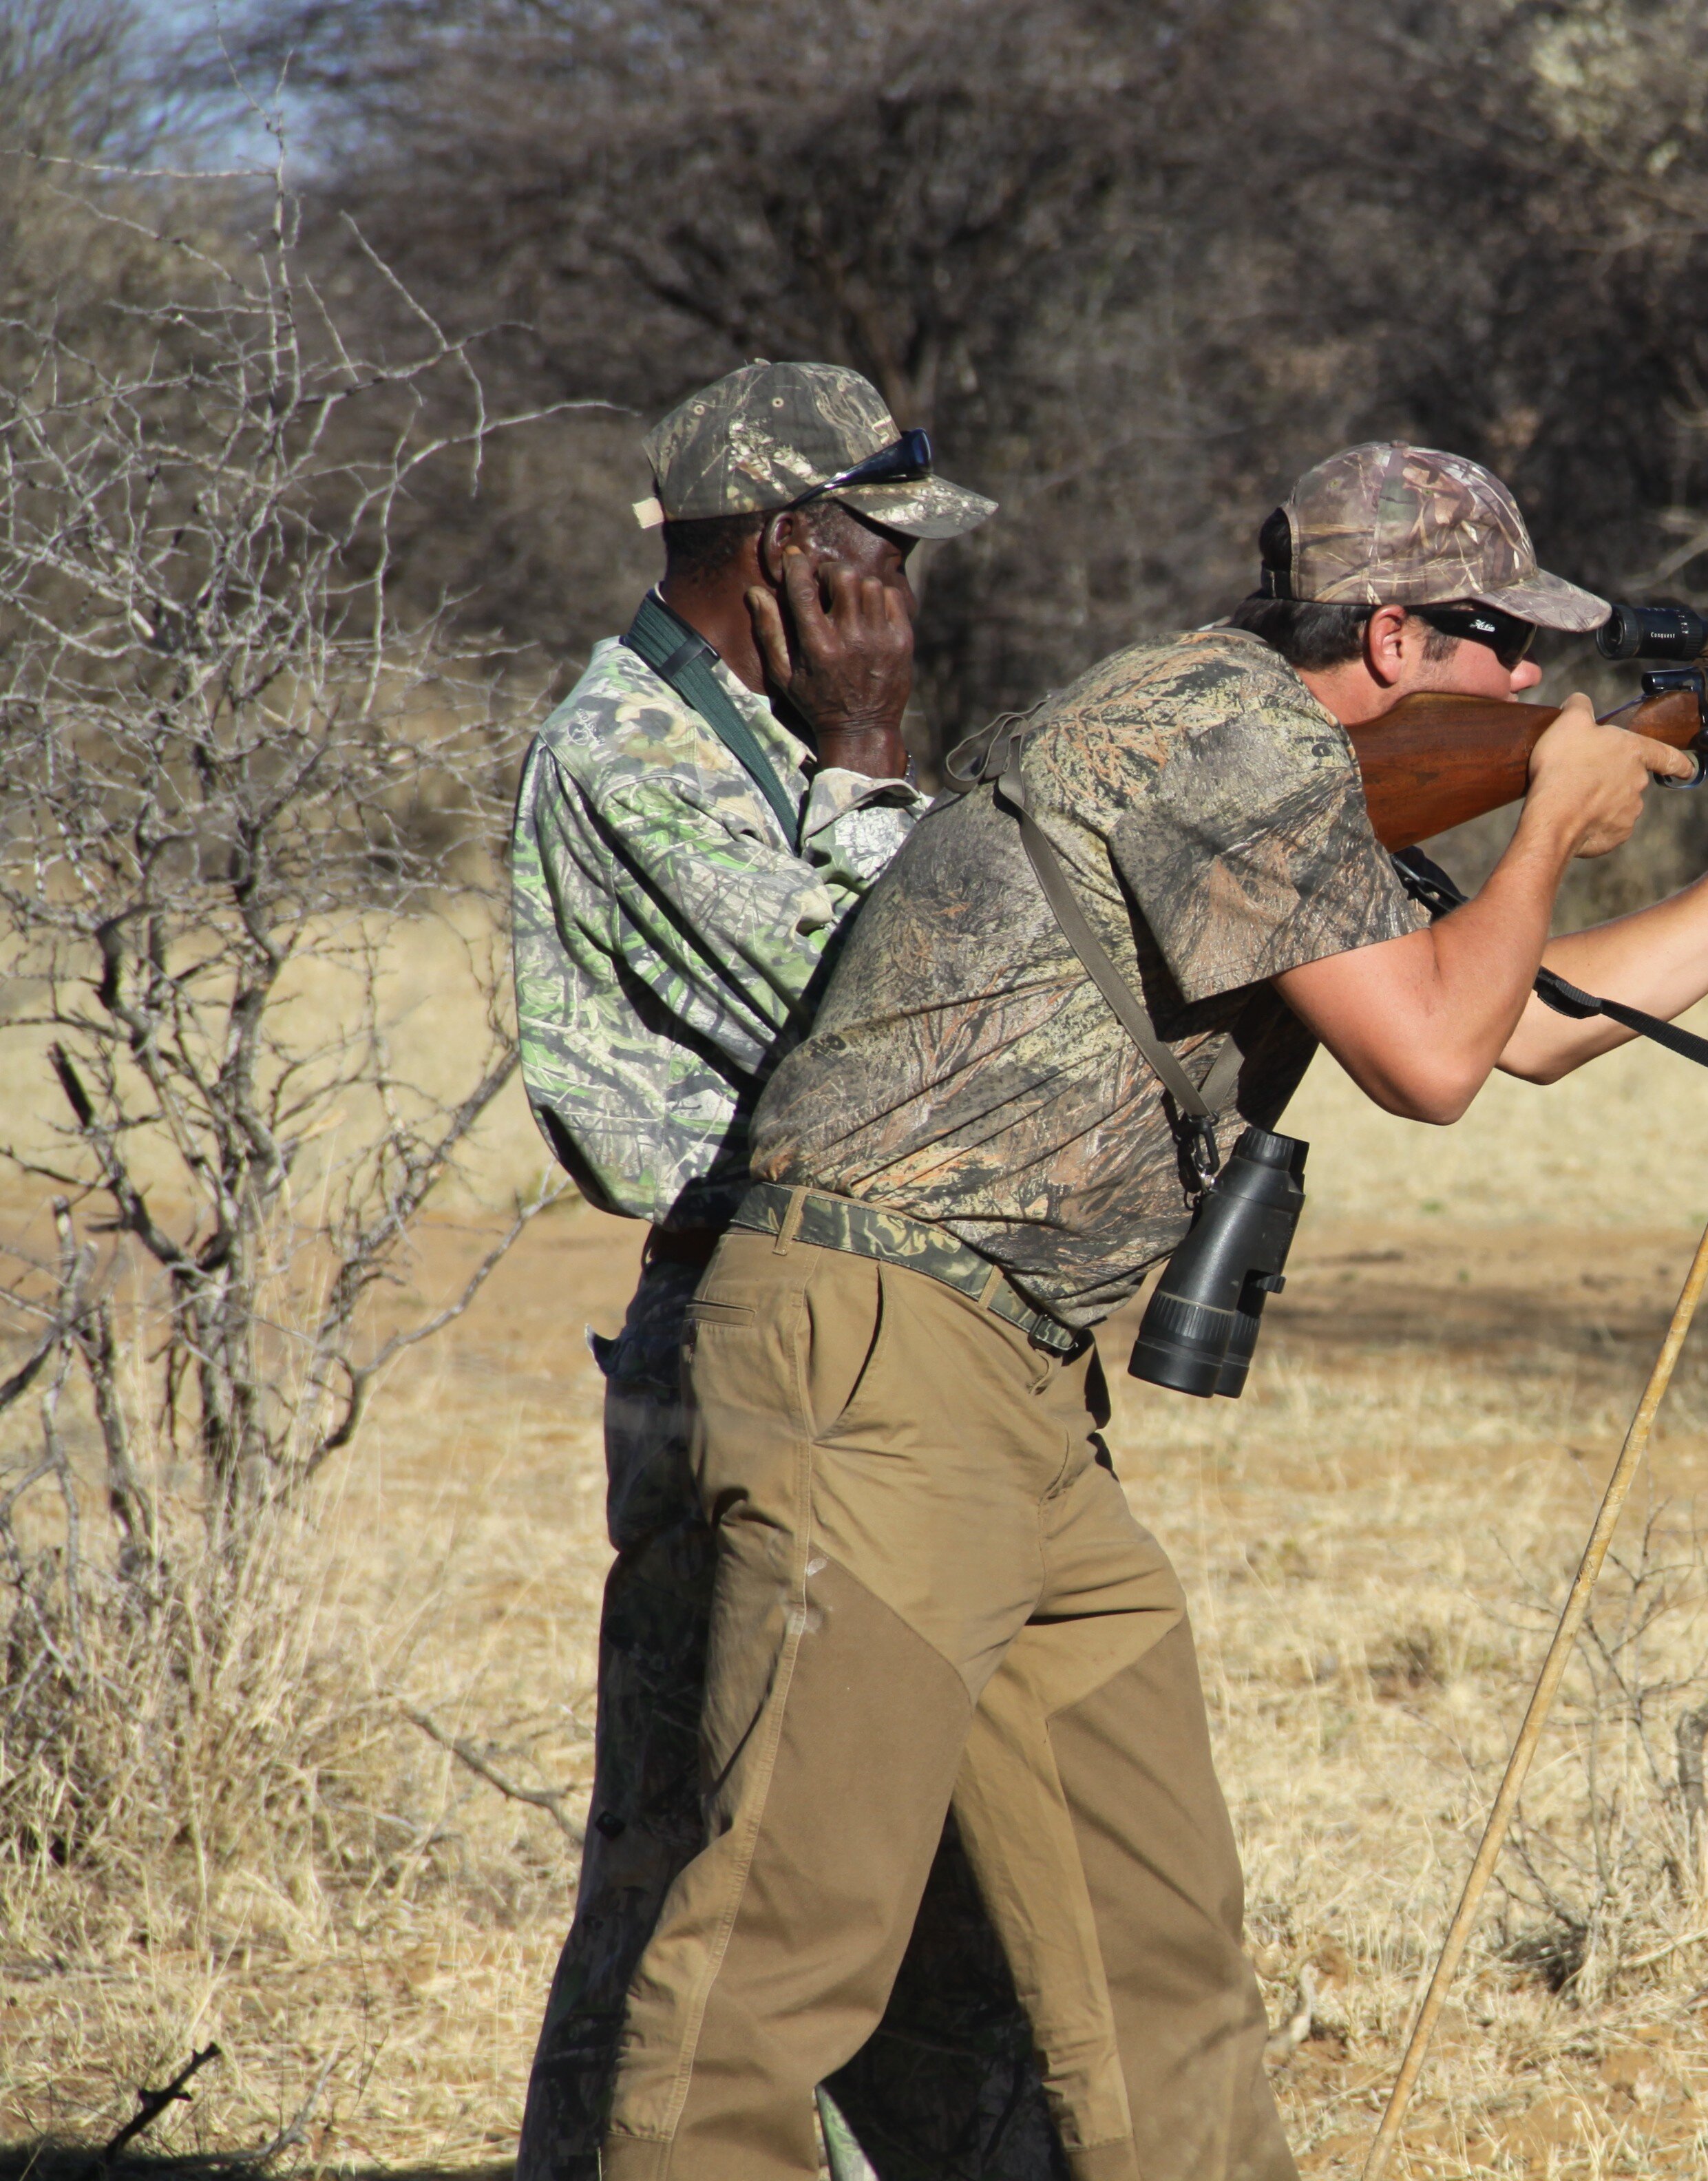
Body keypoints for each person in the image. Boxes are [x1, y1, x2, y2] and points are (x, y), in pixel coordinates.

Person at [594, 442, 1708, 2181]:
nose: (1532, 682)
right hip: (876, 1348)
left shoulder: (1286, 765)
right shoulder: (1224, 736)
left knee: (1155, 1958)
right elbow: (1438, 1061)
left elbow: (1522, 1016)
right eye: (1497, 645)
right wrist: (1546, 824)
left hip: (1010, 1386)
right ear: (1389, 638)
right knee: (781, 1954)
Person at [507, 360, 1059, 2181]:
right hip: (754, 1345)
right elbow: (892, 1021)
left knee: (894, 1885)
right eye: (876, 547)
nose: (902, 585)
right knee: (708, 1888)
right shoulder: (629, 753)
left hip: (874, 1337)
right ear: (779, 555)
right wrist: (881, 747)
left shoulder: (766, 739)